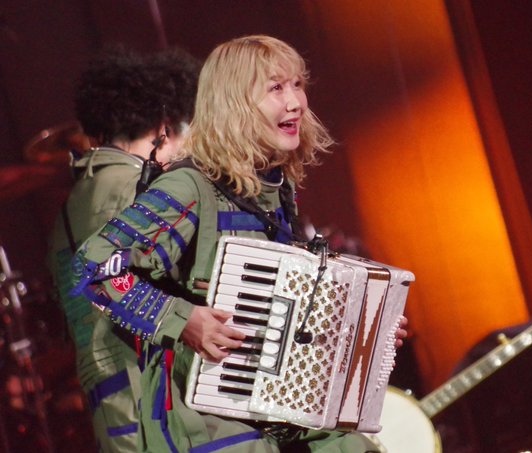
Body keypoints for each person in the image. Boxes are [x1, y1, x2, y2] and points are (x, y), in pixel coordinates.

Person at [71, 35, 407, 452]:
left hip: (275, 405)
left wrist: (365, 331)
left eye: (298, 85)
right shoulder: (189, 186)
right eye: (276, 88)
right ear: (234, 104)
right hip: (205, 413)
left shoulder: (275, 189)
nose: (296, 103)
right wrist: (183, 320)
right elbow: (94, 266)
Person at [48, 46, 200, 452]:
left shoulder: (69, 208)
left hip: (105, 395)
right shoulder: (141, 189)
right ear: (163, 127)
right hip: (155, 390)